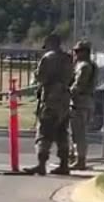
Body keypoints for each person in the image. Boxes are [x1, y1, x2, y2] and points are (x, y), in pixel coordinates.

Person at [24, 33, 74, 176]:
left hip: (51, 98)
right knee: (62, 132)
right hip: (64, 98)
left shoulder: (47, 58)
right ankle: (64, 164)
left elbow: (41, 77)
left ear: (51, 43)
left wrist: (36, 74)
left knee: (44, 131)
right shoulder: (68, 58)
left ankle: (41, 164)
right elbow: (71, 77)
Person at [69, 40, 98, 170]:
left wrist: (66, 92)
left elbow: (78, 85)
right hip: (84, 102)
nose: (75, 54)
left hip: (80, 103)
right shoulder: (87, 65)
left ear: (84, 52)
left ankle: (80, 160)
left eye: (77, 51)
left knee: (79, 134)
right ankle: (75, 158)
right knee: (76, 133)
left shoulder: (84, 66)